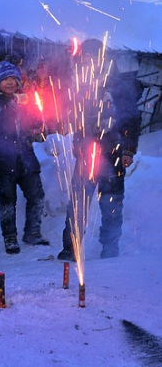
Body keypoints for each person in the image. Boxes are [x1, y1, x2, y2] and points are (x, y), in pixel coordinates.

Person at [57, 39, 141, 261]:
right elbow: (79, 119)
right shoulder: (82, 86)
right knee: (78, 201)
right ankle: (70, 247)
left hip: (113, 154)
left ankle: (110, 247)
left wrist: (128, 150)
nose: (89, 62)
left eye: (93, 58)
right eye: (85, 58)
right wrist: (77, 142)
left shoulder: (120, 87)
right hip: (87, 154)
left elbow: (131, 120)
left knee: (112, 202)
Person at [0, 61, 49, 255]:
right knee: (7, 199)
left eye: (13, 79)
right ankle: (9, 237)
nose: (10, 83)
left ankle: (33, 231)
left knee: (36, 195)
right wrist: (9, 111)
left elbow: (37, 123)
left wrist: (32, 109)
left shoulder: (23, 100)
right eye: (5, 79)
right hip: (4, 161)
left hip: (26, 158)